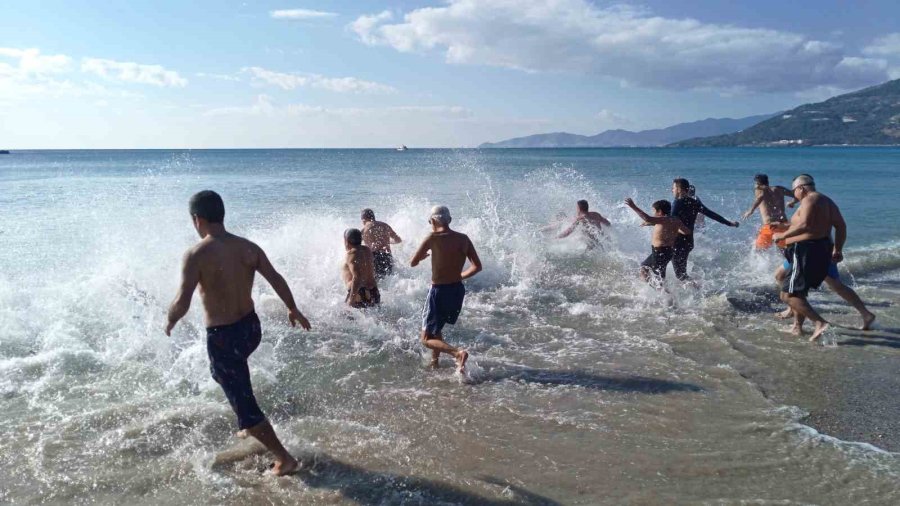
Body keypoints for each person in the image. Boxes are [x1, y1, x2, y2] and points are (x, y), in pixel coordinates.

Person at [165, 190, 311, 476]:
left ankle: (284, 458)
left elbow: (182, 301)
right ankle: (248, 423)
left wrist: (169, 320)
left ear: (198, 220)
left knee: (241, 399)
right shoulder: (248, 247)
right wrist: (293, 308)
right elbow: (276, 278)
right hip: (250, 329)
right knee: (224, 374)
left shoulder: (196, 254)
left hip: (223, 336)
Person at [772, 174, 845, 342]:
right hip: (819, 249)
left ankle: (820, 323)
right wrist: (838, 249)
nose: (794, 195)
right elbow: (840, 226)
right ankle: (797, 327)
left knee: (788, 295)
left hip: (804, 250)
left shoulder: (809, 199)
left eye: (793, 191)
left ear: (801, 188)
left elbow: (805, 226)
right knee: (798, 291)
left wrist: (781, 235)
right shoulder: (826, 200)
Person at [410, 206, 482, 373]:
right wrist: (458, 276)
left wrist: (421, 258)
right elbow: (477, 267)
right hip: (457, 290)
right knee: (437, 328)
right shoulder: (463, 239)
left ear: (433, 221)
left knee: (426, 339)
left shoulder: (432, 238)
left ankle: (457, 353)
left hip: (439, 291)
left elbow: (412, 262)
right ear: (449, 220)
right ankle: (435, 363)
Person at [774, 260, 876, 332]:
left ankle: (798, 326)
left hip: (813, 249)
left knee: (795, 285)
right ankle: (793, 311)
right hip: (806, 248)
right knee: (781, 276)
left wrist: (837, 248)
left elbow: (837, 228)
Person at [671, 178, 740, 281]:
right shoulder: (694, 202)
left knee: (680, 275)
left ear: (679, 189)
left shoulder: (678, 202)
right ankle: (694, 290)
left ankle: (696, 291)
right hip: (688, 241)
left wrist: (652, 222)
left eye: (673, 188)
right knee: (681, 274)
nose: (671, 190)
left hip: (678, 241)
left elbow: (670, 221)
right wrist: (729, 223)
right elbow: (711, 214)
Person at [625, 198, 691, 285]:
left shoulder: (663, 219)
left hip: (660, 253)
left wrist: (633, 206)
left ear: (660, 212)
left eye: (654, 211)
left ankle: (667, 297)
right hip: (665, 252)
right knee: (644, 268)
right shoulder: (675, 220)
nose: (653, 214)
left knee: (658, 280)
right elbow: (686, 231)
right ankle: (650, 290)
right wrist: (673, 229)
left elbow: (647, 218)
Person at [741, 174, 798, 250]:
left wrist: (750, 210)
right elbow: (796, 195)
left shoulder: (759, 190)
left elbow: (760, 198)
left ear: (758, 184)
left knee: (758, 251)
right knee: (786, 250)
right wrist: (792, 202)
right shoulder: (779, 189)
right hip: (783, 225)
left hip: (770, 226)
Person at [342, 228, 380, 309]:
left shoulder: (351, 254)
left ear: (347, 240)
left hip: (358, 293)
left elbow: (357, 277)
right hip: (373, 290)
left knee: (347, 319)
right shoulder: (367, 250)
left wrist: (351, 300)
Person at [360, 209, 402, 279]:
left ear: (364, 219)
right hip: (387, 256)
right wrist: (388, 242)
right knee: (390, 280)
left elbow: (357, 247)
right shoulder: (385, 225)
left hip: (374, 257)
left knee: (377, 282)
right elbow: (398, 240)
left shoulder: (363, 230)